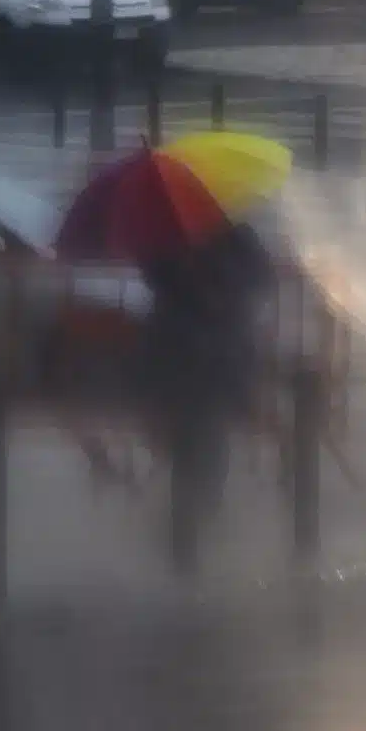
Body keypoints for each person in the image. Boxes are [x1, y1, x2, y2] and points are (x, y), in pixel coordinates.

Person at [140, 220, 278, 574]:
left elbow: (261, 279)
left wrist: (215, 283)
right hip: (193, 356)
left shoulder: (232, 235)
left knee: (205, 443)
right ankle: (187, 532)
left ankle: (193, 526)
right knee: (198, 444)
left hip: (211, 356)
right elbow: (157, 277)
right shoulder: (175, 240)